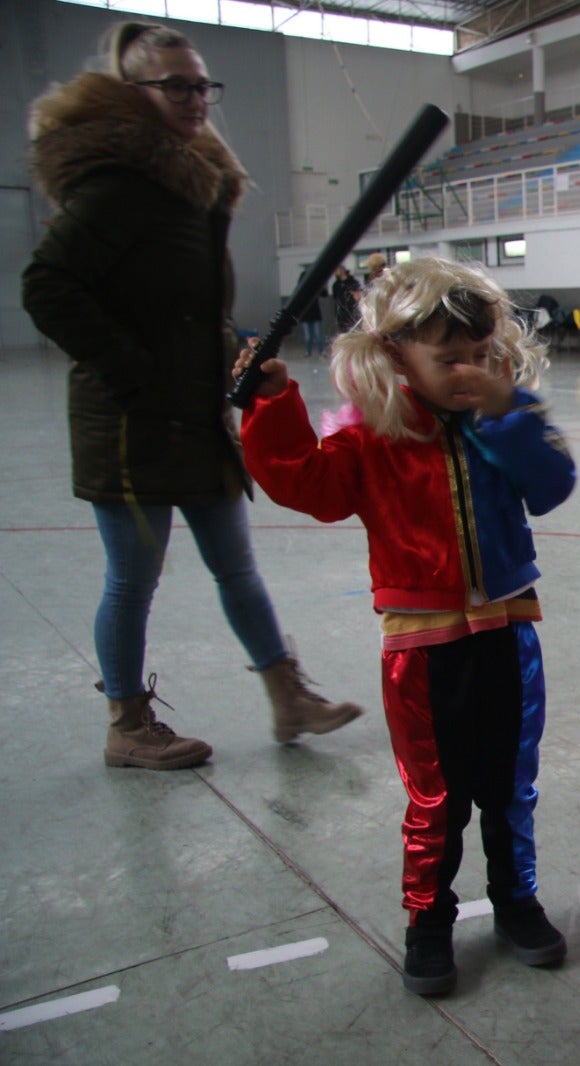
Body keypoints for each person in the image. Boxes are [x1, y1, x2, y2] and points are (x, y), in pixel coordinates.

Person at [22, 21, 361, 771]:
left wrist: (236, 363)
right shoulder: (117, 186)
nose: (193, 98)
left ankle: (287, 694)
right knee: (132, 580)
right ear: (131, 92)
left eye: (201, 84)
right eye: (174, 84)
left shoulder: (191, 187)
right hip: (130, 422)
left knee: (237, 568)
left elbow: (188, 313)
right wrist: (134, 371)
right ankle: (127, 724)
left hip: (194, 416)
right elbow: (47, 286)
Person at [235, 257, 578, 996]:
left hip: (508, 636)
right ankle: (429, 918)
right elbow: (306, 484)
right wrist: (273, 402)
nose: (467, 370)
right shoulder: (372, 443)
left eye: (480, 356)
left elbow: (552, 487)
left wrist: (505, 411)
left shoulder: (502, 421)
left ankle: (516, 900)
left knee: (509, 787)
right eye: (446, 357)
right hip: (421, 650)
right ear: (395, 355)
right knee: (437, 797)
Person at [296, 268, 327, 359]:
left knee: (318, 335)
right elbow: (298, 303)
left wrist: (322, 285)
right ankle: (308, 352)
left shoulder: (314, 287)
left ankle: (321, 352)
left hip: (315, 314)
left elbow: (324, 294)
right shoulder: (300, 289)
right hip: (305, 315)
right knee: (308, 336)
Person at [332, 264, 362, 334]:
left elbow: (358, 296)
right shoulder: (336, 285)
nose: (335, 272)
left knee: (354, 332)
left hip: (352, 312)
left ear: (342, 270)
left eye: (337, 270)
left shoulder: (352, 282)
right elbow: (335, 299)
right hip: (341, 314)